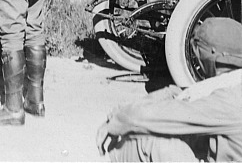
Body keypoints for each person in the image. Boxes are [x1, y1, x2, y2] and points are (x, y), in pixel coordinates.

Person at [96, 17, 242, 162]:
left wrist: (116, 120)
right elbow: (182, 94)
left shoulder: (227, 100)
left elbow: (150, 116)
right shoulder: (234, 86)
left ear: (210, 54)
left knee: (148, 143)